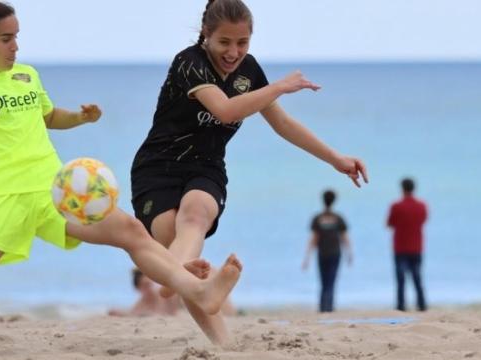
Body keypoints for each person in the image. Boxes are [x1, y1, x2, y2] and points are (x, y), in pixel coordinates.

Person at [0, 0, 242, 352]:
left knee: (132, 232)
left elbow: (47, 117)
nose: (16, 46)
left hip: (56, 190)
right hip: (2, 198)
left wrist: (79, 117)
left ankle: (198, 291)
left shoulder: (26, 76)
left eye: (17, 36)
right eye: (6, 38)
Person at [130, 0, 368, 345]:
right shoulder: (189, 63)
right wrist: (279, 86)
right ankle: (216, 331)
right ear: (206, 35)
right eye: (224, 42)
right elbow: (225, 110)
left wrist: (335, 158)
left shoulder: (249, 72)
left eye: (242, 43)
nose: (233, 52)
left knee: (195, 215)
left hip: (205, 168)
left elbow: (283, 124)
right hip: (157, 168)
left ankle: (174, 279)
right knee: (178, 244)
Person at [301, 190, 353, 312]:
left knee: (323, 282)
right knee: (331, 281)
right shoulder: (338, 218)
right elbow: (345, 238)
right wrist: (349, 253)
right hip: (335, 253)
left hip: (322, 254)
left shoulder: (318, 218)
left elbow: (314, 239)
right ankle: (328, 307)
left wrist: (307, 257)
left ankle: (323, 307)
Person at [387, 177, 428, 311]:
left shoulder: (396, 206)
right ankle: (421, 304)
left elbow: (390, 224)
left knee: (400, 278)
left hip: (400, 246)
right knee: (417, 276)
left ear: (402, 188)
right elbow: (424, 220)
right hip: (416, 246)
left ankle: (401, 305)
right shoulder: (421, 206)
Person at [108, 268, 180, 317]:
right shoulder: (143, 300)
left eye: (149, 284)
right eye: (145, 285)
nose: (149, 288)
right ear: (138, 288)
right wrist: (120, 313)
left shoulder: (160, 294)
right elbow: (133, 313)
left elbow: (160, 313)